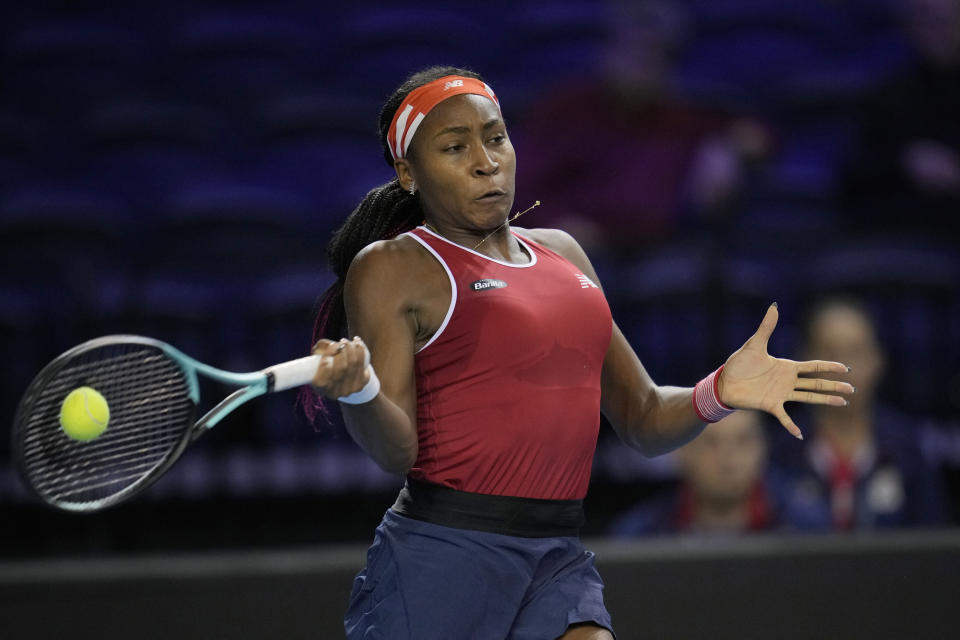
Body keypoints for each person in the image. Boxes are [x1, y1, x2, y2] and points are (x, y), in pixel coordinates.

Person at [303, 66, 853, 640]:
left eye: (495, 137)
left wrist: (717, 392)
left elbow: (641, 418)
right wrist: (360, 392)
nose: (486, 161)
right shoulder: (393, 265)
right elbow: (396, 451)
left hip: (556, 556)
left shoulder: (565, 253)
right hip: (443, 557)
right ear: (408, 173)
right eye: (454, 147)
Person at [513, 0, 772, 252]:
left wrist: (726, 149)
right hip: (575, 244)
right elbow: (522, 186)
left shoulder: (682, 115)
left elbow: (754, 136)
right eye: (631, 52)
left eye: (653, 55)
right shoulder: (565, 109)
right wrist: (554, 223)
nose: (640, 65)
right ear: (608, 53)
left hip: (658, 247)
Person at [774, 297, 946, 531]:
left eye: (854, 352)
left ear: (877, 360)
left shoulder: (907, 449)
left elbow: (933, 545)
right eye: (828, 352)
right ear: (803, 361)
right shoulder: (779, 451)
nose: (841, 367)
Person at [840, 0, 960, 240]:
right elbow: (852, 179)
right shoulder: (890, 92)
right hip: (900, 225)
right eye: (924, 20)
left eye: (943, 20)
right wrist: (903, 161)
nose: (933, 30)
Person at [609, 410, 784, 537]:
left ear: (764, 448)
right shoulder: (639, 537)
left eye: (743, 441)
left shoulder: (804, 531)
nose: (728, 460)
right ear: (682, 451)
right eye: (711, 443)